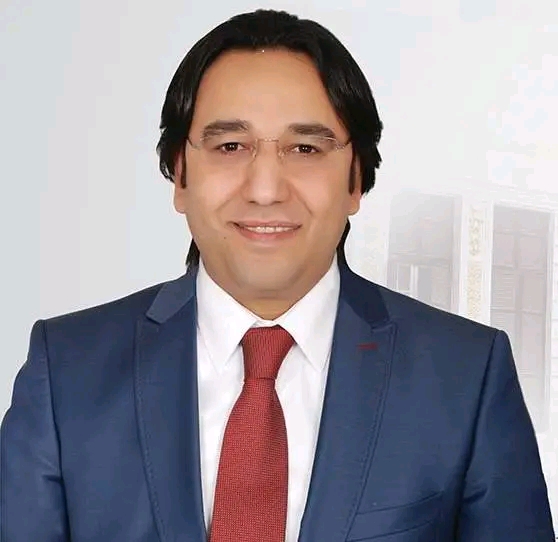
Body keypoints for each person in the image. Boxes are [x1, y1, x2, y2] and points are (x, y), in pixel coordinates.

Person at [0, 8, 554, 542]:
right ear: (180, 175)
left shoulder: (466, 376)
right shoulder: (66, 371)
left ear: (356, 179)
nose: (265, 189)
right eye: (230, 146)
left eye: (305, 148)